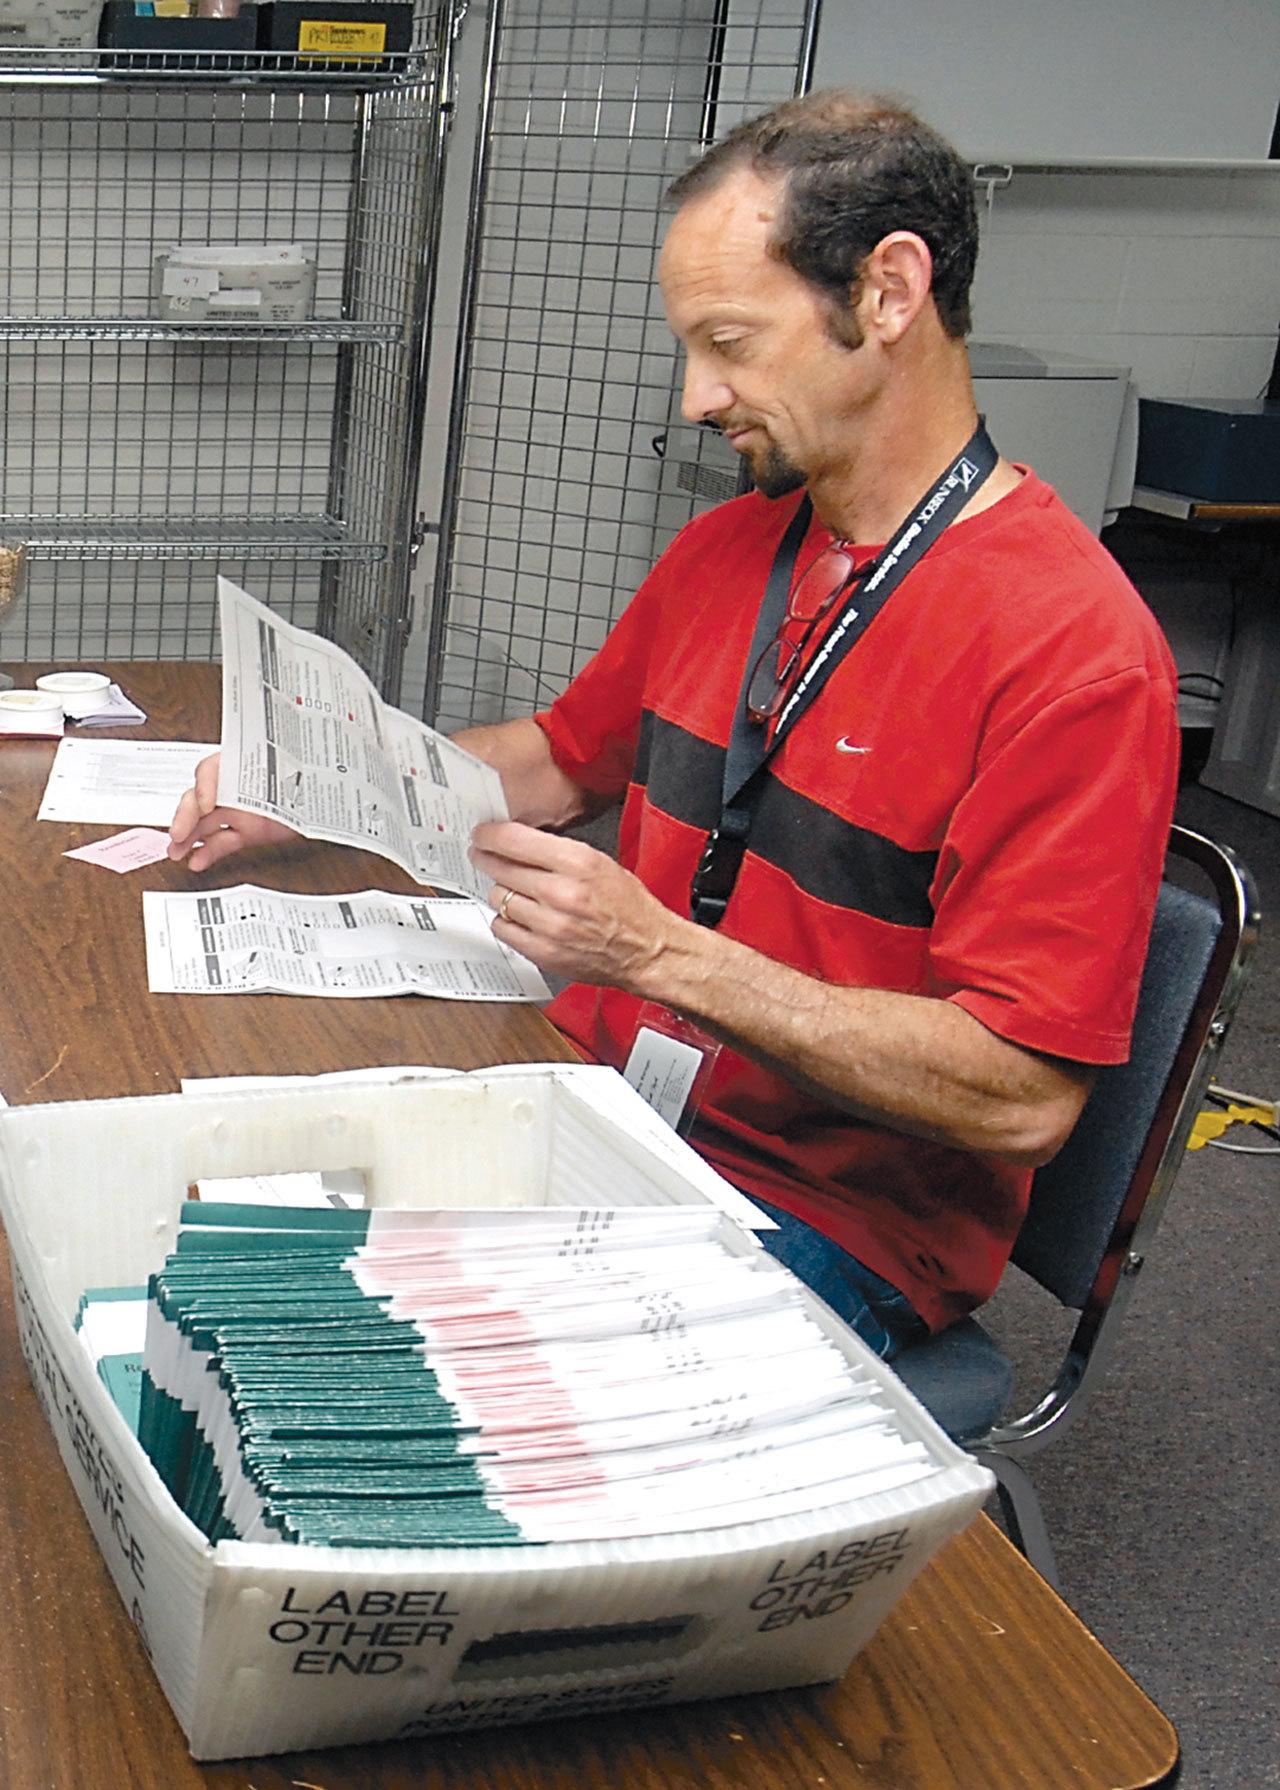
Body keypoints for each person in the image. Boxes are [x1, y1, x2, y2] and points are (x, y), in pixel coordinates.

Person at [168, 90, 1179, 1360]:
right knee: (230, 1201)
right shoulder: (727, 551)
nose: (698, 396)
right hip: (607, 1098)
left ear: (887, 292)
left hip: (824, 1211)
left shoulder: (1073, 653)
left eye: (731, 343)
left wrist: (653, 954)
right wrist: (315, 784)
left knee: (388, 1349)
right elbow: (552, 759)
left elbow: (1021, 1091)